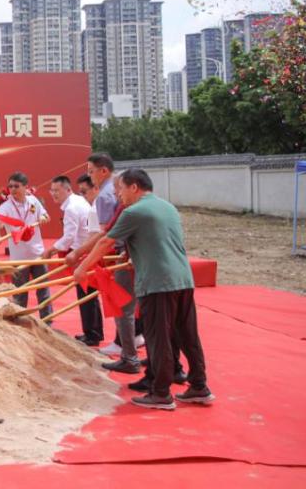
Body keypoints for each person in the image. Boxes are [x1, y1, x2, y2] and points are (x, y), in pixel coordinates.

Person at [76, 169, 213, 410]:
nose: (119, 195)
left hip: (157, 283)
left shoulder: (134, 211)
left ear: (134, 187)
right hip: (183, 279)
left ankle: (161, 393)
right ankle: (199, 386)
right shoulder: (168, 207)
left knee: (158, 337)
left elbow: (106, 241)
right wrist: (133, 258)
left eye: (121, 189)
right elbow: (157, 240)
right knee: (187, 334)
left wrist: (82, 268)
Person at [82, 153, 140, 373]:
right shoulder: (119, 197)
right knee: (133, 308)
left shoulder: (106, 197)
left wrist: (83, 261)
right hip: (126, 255)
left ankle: (130, 357)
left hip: (124, 255)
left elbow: (107, 235)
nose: (119, 195)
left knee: (123, 307)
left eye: (91, 171)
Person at [49, 174, 102, 345]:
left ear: (68, 189)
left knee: (85, 293)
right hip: (87, 249)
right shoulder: (78, 201)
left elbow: (69, 237)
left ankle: (92, 334)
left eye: (57, 190)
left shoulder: (72, 207)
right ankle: (94, 331)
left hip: (82, 252)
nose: (54, 194)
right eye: (52, 190)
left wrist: (51, 249)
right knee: (89, 294)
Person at [0, 172, 52, 319]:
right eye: (10, 186)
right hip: (18, 259)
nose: (13, 189)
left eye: (16, 186)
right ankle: (19, 321)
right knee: (20, 293)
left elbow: (45, 215)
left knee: (43, 291)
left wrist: (43, 218)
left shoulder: (33, 201)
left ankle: (47, 321)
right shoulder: (6, 207)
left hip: (38, 255)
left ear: (26, 187)